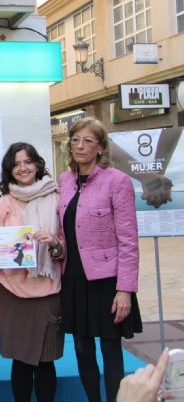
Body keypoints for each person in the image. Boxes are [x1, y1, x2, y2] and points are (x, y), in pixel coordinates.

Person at [59, 117, 143, 402]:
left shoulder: (117, 181)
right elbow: (65, 231)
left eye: (87, 141)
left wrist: (125, 289)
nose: (80, 146)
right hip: (73, 277)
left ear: (100, 147)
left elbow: (129, 240)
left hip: (107, 280)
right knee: (82, 349)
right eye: (75, 140)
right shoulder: (65, 180)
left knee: (110, 348)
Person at [0, 142, 65, 402]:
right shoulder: (2, 204)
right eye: (16, 163)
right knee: (21, 362)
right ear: (9, 170)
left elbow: (66, 246)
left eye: (27, 161)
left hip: (48, 291)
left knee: (46, 361)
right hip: (13, 292)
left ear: (37, 164)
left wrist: (55, 243)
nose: (23, 168)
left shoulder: (57, 198)